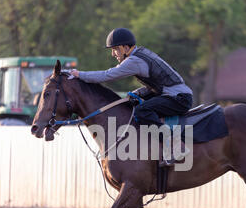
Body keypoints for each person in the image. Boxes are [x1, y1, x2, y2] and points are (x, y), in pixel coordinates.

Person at [70, 27, 193, 166]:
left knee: (142, 111)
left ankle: (176, 145)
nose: (113, 54)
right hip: (175, 95)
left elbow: (107, 75)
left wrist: (80, 75)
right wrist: (137, 93)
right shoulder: (140, 53)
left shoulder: (134, 61)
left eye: (115, 49)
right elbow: (156, 85)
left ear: (126, 48)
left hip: (179, 98)